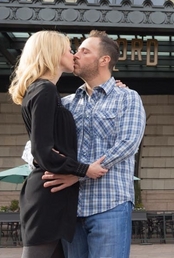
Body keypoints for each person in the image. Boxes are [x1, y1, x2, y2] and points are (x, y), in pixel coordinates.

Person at [39, 30, 146, 258]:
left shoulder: (127, 97)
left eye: (84, 51)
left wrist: (79, 174)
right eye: (75, 50)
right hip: (71, 207)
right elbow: (37, 144)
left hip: (110, 204)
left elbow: (127, 144)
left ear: (104, 60)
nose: (76, 55)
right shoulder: (64, 103)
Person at [9, 30, 109, 258]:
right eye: (69, 49)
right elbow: (42, 152)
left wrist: (113, 87)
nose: (73, 54)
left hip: (53, 194)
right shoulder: (45, 90)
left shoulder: (46, 92)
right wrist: (85, 169)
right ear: (53, 54)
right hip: (48, 194)